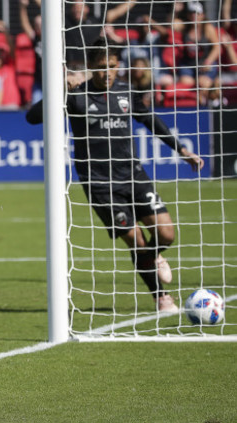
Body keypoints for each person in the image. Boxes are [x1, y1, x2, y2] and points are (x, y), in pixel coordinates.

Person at [26, 38, 204, 312]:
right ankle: (161, 297)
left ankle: (155, 255)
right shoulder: (76, 96)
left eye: (110, 66)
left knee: (166, 234)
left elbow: (149, 120)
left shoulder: (126, 92)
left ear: (118, 66)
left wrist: (181, 149)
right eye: (99, 67)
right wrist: (60, 88)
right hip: (100, 183)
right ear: (89, 67)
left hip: (134, 174)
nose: (106, 73)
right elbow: (32, 118)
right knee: (135, 239)